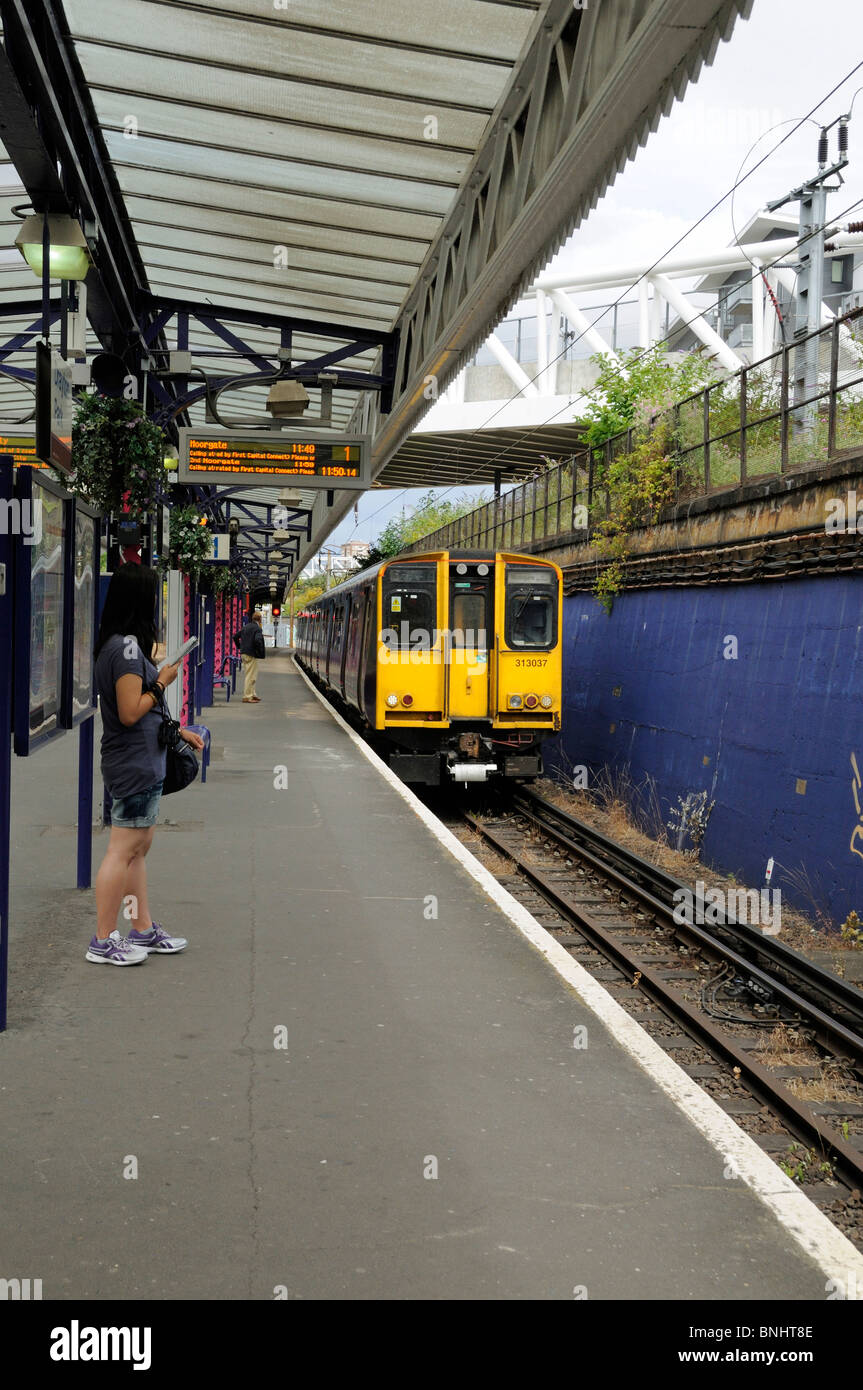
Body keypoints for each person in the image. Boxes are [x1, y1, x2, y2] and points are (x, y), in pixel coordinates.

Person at [87, 563, 205, 966]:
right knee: (122, 850)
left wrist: (178, 730)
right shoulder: (125, 649)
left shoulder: (123, 645)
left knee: (137, 850)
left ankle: (142, 928)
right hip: (133, 763)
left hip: (143, 760)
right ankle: (102, 939)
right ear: (141, 601)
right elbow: (130, 711)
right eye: (153, 598)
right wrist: (162, 683)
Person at [235, 609, 266, 703]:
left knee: (252, 675)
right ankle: (247, 696)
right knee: (250, 675)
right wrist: (258, 650)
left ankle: (252, 694)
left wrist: (240, 646)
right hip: (251, 654)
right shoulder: (257, 629)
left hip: (244, 653)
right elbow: (257, 640)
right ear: (260, 619)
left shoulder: (246, 626)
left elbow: (235, 636)